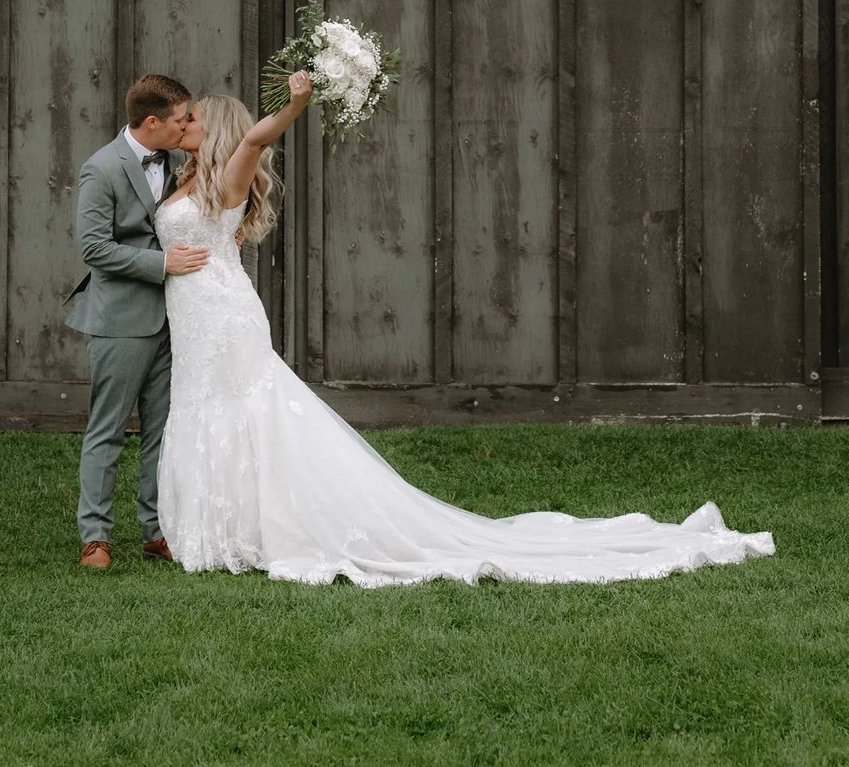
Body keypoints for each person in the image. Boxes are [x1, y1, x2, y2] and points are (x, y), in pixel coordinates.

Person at [154, 75, 776, 586]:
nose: (186, 126)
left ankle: (250, 531)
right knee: (205, 407)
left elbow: (258, 138)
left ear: (219, 128)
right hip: (195, 317)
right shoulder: (184, 179)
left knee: (245, 412)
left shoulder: (232, 174)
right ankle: (220, 531)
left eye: (195, 119)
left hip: (225, 317)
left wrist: (295, 104)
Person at [65, 72, 207, 572]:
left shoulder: (177, 162)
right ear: (152, 122)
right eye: (180, 119)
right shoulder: (101, 169)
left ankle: (156, 529)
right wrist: (160, 263)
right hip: (121, 319)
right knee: (107, 430)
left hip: (175, 318)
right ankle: (95, 537)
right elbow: (93, 248)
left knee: (163, 432)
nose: (187, 126)